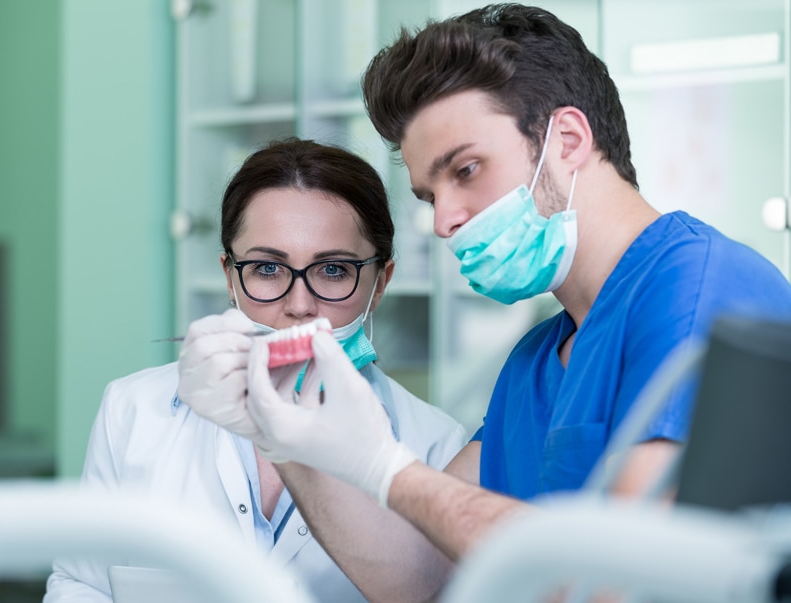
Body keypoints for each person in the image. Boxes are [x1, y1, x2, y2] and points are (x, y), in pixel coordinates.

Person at [177, 4, 791, 602]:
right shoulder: (536, 360)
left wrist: (390, 470)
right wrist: (282, 436)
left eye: (466, 170)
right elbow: (420, 575)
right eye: (428, 194)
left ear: (569, 139)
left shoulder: (701, 292)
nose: (444, 221)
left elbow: (625, 582)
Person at [43, 138, 467, 602]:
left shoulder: (437, 447)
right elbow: (80, 585)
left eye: (333, 271)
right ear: (230, 276)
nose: (300, 306)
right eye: (268, 268)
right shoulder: (132, 410)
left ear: (379, 282)